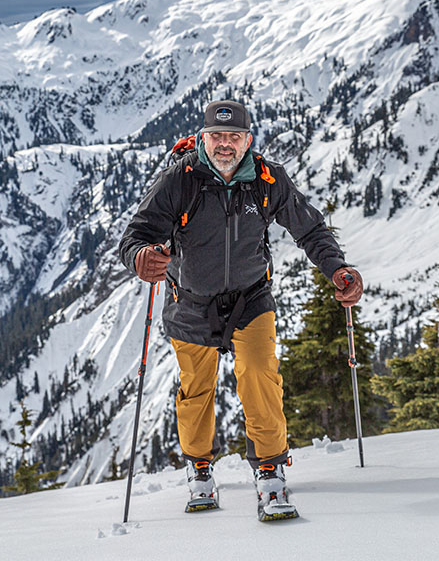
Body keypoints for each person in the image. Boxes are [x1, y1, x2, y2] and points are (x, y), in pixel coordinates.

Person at [118, 99, 363, 519]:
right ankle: (199, 468)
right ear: (202, 139)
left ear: (248, 141)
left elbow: (311, 229)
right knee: (195, 390)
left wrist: (337, 268)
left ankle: (269, 468)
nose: (225, 145)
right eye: (217, 137)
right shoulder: (180, 179)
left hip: (251, 298)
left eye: (234, 137)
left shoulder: (267, 180)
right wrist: (140, 256)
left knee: (260, 375)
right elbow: (136, 235)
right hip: (189, 301)